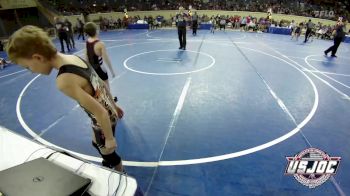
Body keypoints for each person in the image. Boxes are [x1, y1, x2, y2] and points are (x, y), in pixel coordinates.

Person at [5, 25, 124, 172]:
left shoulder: (64, 80)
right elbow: (101, 85)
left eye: (28, 67)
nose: (31, 71)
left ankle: (119, 172)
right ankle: (109, 160)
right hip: (108, 111)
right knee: (97, 144)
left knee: (107, 151)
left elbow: (101, 112)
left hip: (103, 119)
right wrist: (114, 105)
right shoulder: (73, 58)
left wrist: (110, 138)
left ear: (38, 58)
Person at [84, 22, 116, 91]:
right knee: (106, 85)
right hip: (100, 68)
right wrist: (112, 71)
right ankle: (110, 100)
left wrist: (87, 69)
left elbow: (86, 56)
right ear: (96, 31)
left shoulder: (87, 41)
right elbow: (106, 59)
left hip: (92, 68)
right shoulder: (100, 44)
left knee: (97, 87)